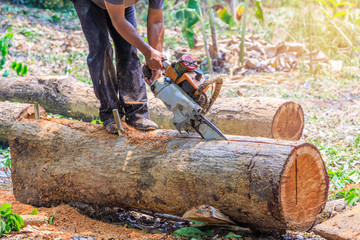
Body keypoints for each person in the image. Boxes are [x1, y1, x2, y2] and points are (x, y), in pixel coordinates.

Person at [71, 0, 165, 133]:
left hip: (121, 5)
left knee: (129, 47)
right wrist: (148, 51)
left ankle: (137, 114)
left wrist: (155, 61)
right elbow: (118, 20)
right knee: (101, 48)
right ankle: (110, 113)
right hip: (89, 2)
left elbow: (156, 21)